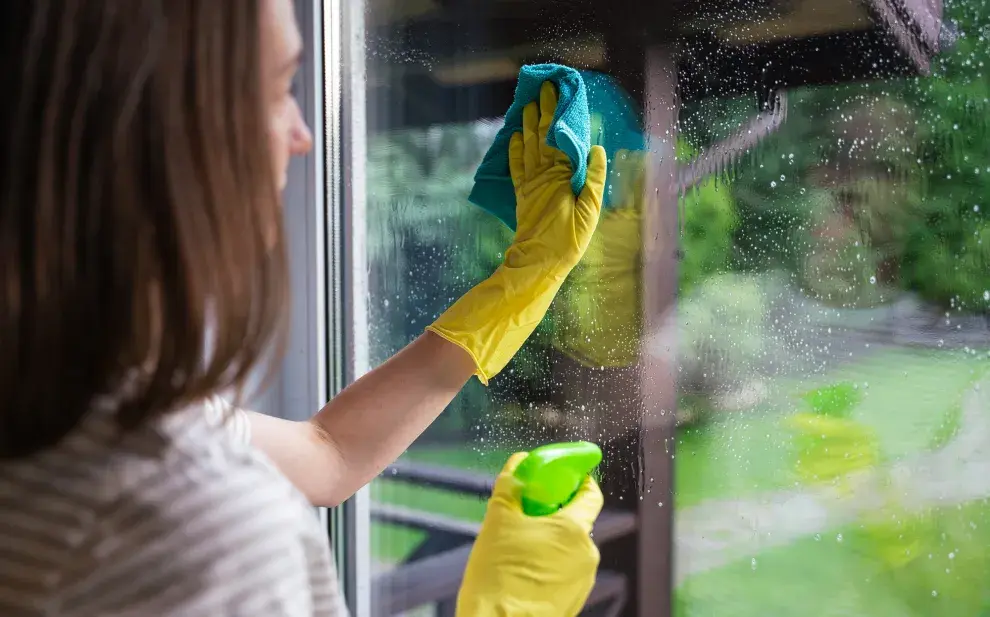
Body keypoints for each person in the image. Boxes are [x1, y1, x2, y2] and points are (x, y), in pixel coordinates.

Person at [0, 1, 608, 616]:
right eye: (276, 89)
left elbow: (328, 453)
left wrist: (523, 280)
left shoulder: (57, 400)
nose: (302, 136)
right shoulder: (192, 529)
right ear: (159, 140)